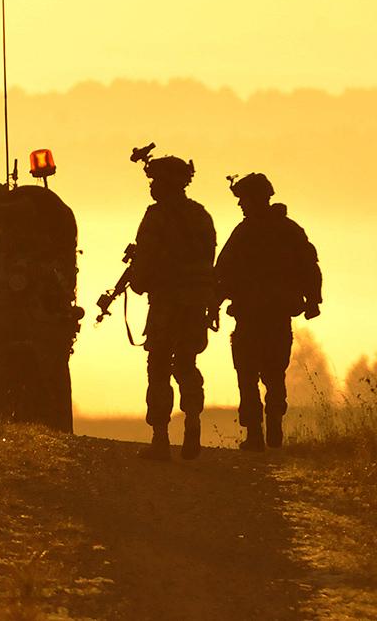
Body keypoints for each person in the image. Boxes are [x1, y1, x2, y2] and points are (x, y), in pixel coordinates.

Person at [214, 173, 322, 451]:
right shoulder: (290, 230)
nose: (240, 205)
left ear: (256, 198)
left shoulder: (245, 232)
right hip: (277, 319)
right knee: (275, 375)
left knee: (248, 376)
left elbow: (222, 272)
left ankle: (255, 435)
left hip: (251, 318)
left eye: (243, 199)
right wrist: (313, 302)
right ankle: (273, 428)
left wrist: (212, 305)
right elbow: (311, 266)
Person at [129, 156, 216, 460]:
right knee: (187, 364)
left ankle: (161, 439)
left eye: (156, 181)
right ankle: (192, 424)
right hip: (194, 305)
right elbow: (208, 261)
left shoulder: (156, 217)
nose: (152, 186)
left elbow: (145, 263)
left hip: (166, 304)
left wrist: (138, 281)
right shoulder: (201, 216)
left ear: (167, 183)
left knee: (160, 366)